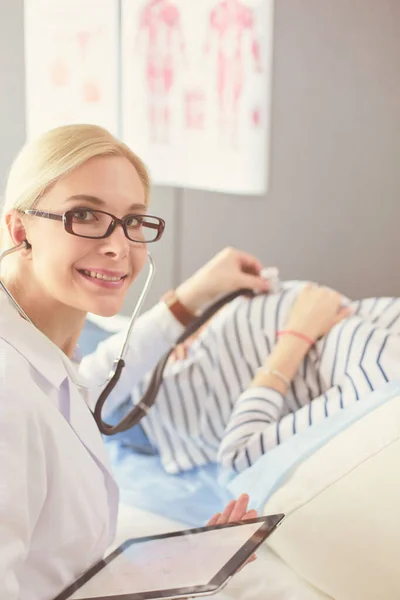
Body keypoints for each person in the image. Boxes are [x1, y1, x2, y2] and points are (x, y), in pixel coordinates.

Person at [0, 124, 267, 600]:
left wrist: (172, 570)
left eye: (133, 220)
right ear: (21, 229)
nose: (118, 245)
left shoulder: (43, 348)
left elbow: (90, 380)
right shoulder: (9, 390)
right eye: (84, 214)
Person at [105, 281, 400, 474]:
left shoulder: (384, 380)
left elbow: (240, 455)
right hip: (165, 345)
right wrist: (199, 317)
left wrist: (296, 336)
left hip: (154, 407)